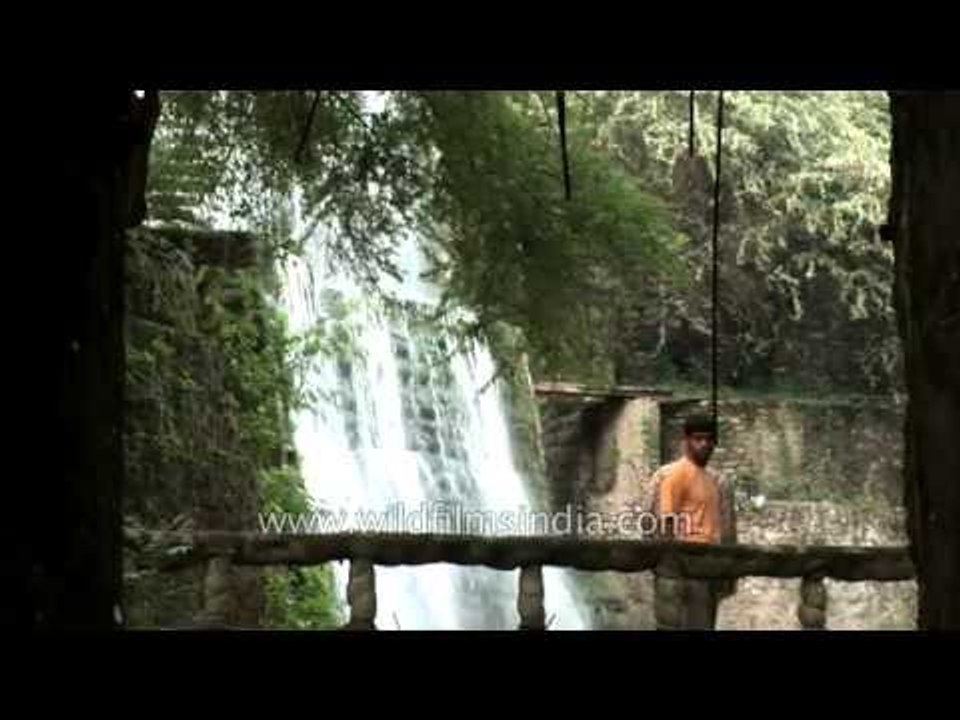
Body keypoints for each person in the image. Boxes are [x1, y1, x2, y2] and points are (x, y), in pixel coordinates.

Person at [650, 413, 737, 629]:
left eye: (709, 440)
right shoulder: (674, 475)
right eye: (698, 439)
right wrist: (670, 570)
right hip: (685, 566)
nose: (704, 444)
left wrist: (727, 570)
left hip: (708, 565)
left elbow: (722, 527)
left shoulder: (712, 481)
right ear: (686, 441)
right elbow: (664, 524)